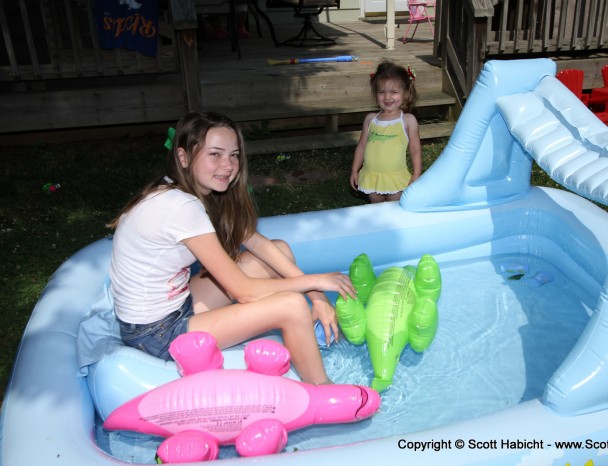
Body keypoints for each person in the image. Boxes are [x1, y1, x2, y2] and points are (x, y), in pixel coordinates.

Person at [107, 111, 355, 385]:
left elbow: (259, 244)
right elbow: (245, 292)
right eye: (215, 154)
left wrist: (318, 297)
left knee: (279, 251)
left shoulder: (188, 191)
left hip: (176, 305)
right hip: (155, 334)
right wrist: (319, 280)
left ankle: (304, 339)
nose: (227, 165)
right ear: (183, 157)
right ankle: (322, 390)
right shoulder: (181, 207)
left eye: (234, 155)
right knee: (292, 305)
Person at [350, 61, 423, 203]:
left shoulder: (408, 120)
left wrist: (417, 173)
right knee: (377, 212)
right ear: (375, 94)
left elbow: (415, 149)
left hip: (396, 178)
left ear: (405, 93)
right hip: (372, 177)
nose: (387, 97)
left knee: (394, 211)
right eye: (382, 92)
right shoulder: (371, 119)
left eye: (394, 92)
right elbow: (362, 146)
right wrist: (354, 170)